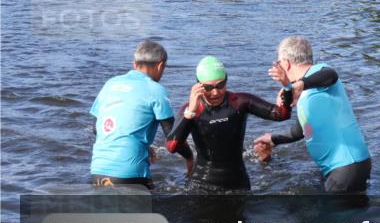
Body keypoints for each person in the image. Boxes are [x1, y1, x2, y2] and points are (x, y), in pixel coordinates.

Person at [253, 36, 372, 193]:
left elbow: (331, 74)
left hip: (347, 165)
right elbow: (301, 129)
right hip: (340, 168)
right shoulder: (308, 92)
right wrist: (273, 139)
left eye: (278, 63)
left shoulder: (319, 74)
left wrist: (298, 85)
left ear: (286, 63)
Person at [165, 56, 292, 192]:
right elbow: (172, 146)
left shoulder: (240, 102)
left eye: (220, 85)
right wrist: (190, 112)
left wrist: (287, 86)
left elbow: (282, 115)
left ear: (226, 81)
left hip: (237, 182)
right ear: (198, 86)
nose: (215, 92)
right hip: (201, 183)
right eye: (208, 87)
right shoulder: (190, 110)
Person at [90, 40, 174, 188]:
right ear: (160, 65)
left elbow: (96, 128)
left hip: (98, 172)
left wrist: (141, 145)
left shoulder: (110, 83)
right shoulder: (156, 90)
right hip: (131, 174)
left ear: (134, 64)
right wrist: (190, 158)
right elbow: (173, 138)